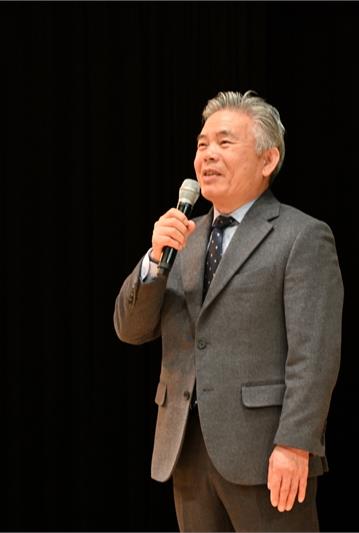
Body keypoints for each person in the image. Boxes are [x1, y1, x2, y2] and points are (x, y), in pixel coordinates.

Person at [114, 90, 343, 532]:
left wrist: (295, 443)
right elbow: (131, 329)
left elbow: (313, 354)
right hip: (185, 449)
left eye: (224, 142)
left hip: (266, 453)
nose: (208, 155)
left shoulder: (301, 236)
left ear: (268, 159)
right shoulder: (182, 237)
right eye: (202, 144)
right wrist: (153, 262)